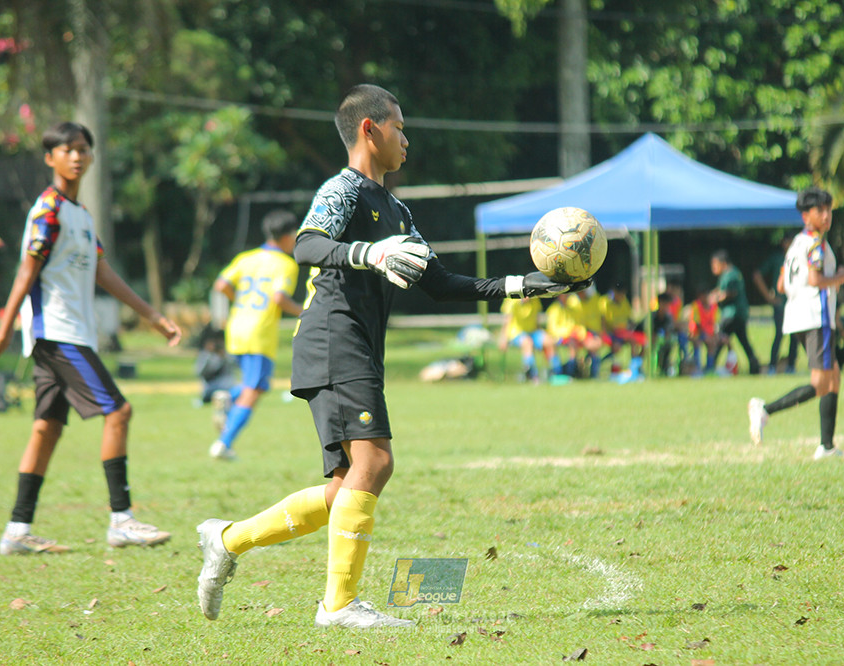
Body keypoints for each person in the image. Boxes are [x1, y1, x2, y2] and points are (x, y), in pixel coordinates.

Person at [194, 84, 587, 629]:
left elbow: (442, 282)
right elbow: (307, 245)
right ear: (369, 129)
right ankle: (338, 606)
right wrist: (368, 253)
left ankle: (227, 539)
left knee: (343, 488)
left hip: (352, 346)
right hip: (334, 338)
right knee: (375, 463)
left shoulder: (396, 208)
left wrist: (521, 285)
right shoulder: (344, 190)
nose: (407, 138)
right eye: (399, 126)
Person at [0, 121, 182, 555]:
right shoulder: (46, 210)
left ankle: (16, 532)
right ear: (50, 158)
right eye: (67, 149)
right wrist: (3, 334)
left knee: (46, 429)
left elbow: (102, 272)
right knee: (118, 411)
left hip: (72, 334)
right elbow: (26, 272)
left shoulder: (79, 214)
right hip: (58, 334)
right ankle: (121, 519)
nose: (77, 156)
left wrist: (153, 316)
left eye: (83, 148)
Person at [748, 187, 844, 459]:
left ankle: (827, 446)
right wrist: (841, 276)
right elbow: (816, 280)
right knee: (821, 383)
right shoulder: (816, 243)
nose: (827, 215)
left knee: (834, 377)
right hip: (815, 318)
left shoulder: (796, 243)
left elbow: (782, 285)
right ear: (806, 216)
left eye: (829, 209)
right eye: (821, 211)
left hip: (796, 318)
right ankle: (765, 409)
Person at [208, 209, 303, 461]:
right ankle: (223, 444)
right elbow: (279, 297)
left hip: (237, 326)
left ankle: (227, 396)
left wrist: (238, 300)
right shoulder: (285, 264)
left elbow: (221, 285)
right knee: (254, 389)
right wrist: (305, 312)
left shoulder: (246, 257)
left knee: (257, 385)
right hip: (259, 331)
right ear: (288, 235)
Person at [753, 234, 800, 374]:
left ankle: (791, 366)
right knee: (779, 334)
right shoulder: (778, 259)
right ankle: (772, 366)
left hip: (795, 302)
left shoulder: (799, 259)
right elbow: (757, 275)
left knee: (795, 335)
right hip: (781, 303)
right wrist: (769, 297)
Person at [709, 250, 761, 375]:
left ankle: (710, 367)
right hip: (739, 314)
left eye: (715, 264)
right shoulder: (731, 274)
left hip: (731, 314)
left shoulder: (731, 274)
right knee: (744, 341)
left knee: (719, 339)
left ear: (723, 263)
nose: (713, 268)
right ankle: (755, 367)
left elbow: (730, 292)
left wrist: (716, 298)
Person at [544, 292, 602, 378]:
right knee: (571, 344)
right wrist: (568, 333)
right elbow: (552, 329)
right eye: (565, 295)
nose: (567, 297)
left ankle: (593, 372)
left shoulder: (573, 308)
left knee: (595, 343)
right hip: (561, 337)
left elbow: (580, 324)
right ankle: (563, 371)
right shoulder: (554, 309)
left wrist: (580, 333)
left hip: (574, 336)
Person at [598, 283, 645, 374]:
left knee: (642, 341)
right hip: (611, 334)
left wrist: (632, 327)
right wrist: (606, 335)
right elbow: (603, 322)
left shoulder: (624, 302)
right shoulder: (605, 302)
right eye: (620, 294)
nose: (622, 296)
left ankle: (636, 365)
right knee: (618, 347)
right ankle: (605, 363)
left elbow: (630, 319)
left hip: (624, 333)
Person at [497, 296, 546, 382]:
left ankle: (555, 372)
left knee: (548, 341)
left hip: (533, 332)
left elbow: (536, 320)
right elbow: (506, 321)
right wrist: (503, 338)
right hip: (515, 334)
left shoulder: (535, 300)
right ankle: (531, 373)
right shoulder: (512, 300)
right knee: (527, 342)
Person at [193, 329, 237, 407]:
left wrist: (223, 357)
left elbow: (236, 366)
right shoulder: (206, 356)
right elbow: (200, 373)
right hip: (211, 388)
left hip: (228, 388)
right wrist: (213, 359)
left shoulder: (228, 355)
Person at [685, 284, 721, 374]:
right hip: (696, 334)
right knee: (698, 343)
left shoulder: (714, 307)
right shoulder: (696, 306)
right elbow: (697, 324)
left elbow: (716, 323)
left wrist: (715, 335)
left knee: (715, 342)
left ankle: (710, 368)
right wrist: (706, 336)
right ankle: (697, 368)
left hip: (709, 334)